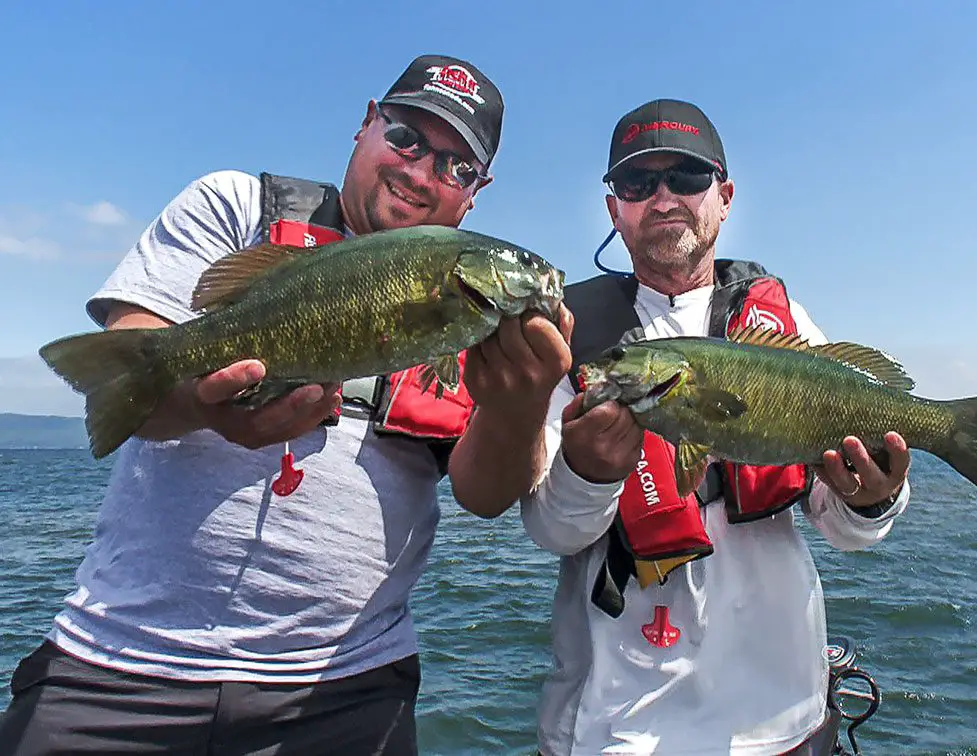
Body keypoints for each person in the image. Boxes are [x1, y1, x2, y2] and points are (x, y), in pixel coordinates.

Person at [0, 54, 571, 755]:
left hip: (349, 688)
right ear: (366, 125)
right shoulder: (238, 206)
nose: (423, 174)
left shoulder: (481, 327)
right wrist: (208, 406)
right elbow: (133, 377)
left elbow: (484, 495)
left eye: (457, 166)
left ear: (476, 192)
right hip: (118, 666)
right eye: (407, 139)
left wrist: (522, 404)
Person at [519, 99, 912, 755]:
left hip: (784, 716)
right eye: (639, 184)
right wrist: (588, 472)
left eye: (689, 178)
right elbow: (552, 530)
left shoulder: (782, 327)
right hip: (619, 730)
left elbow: (845, 528)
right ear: (615, 208)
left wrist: (873, 498)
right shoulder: (571, 338)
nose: (665, 197)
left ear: (724, 197)